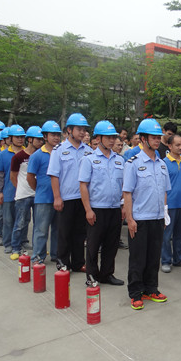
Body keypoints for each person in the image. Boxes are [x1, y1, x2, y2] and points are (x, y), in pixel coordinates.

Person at [122, 118, 171, 310]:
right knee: (138, 258)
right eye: (153, 137)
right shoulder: (133, 163)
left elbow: (164, 191)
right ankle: (135, 293)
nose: (158, 140)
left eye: (159, 137)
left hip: (157, 218)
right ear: (143, 139)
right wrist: (130, 218)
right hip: (140, 219)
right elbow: (127, 193)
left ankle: (151, 289)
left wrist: (164, 214)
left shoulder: (162, 164)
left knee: (153, 257)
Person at [79, 121, 125, 285]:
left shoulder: (119, 160)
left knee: (111, 244)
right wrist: (88, 210)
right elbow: (83, 185)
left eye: (113, 137)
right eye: (108, 137)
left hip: (114, 208)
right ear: (98, 138)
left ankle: (107, 274)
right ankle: (92, 275)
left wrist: (123, 205)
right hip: (97, 208)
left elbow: (124, 186)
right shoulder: (89, 160)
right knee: (93, 244)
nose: (112, 141)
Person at [47, 113, 92, 272]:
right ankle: (63, 261)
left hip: (83, 198)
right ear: (69, 130)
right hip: (66, 198)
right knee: (64, 232)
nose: (82, 132)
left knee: (80, 232)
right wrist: (57, 197)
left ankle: (78, 262)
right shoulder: (59, 150)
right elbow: (54, 175)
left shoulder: (88, 151)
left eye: (84, 129)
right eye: (79, 129)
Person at [27, 121, 61, 264]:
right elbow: (30, 177)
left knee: (58, 230)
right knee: (41, 230)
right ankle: (38, 257)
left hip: (60, 198)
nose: (56, 137)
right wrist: (39, 189)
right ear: (45, 136)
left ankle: (56, 254)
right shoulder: (37, 155)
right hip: (43, 199)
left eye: (58, 135)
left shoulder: (61, 153)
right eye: (53, 135)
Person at [10, 126, 43, 260]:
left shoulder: (41, 155)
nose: (40, 142)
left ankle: (37, 248)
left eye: (42, 139)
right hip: (23, 195)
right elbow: (13, 176)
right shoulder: (19, 157)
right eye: (38, 139)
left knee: (38, 224)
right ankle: (15, 247)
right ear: (30, 140)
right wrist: (21, 188)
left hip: (38, 195)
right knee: (20, 223)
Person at [160, 134, 181, 273]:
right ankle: (166, 260)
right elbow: (161, 187)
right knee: (166, 235)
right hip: (169, 205)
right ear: (169, 146)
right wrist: (163, 207)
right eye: (177, 145)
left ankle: (178, 258)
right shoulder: (163, 163)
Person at [0, 125, 25, 254]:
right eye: (17, 137)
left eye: (22, 137)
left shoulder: (28, 153)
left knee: (23, 220)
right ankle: (8, 243)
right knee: (8, 220)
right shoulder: (2, 155)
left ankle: (22, 241)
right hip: (8, 192)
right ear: (11, 138)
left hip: (24, 193)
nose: (20, 139)